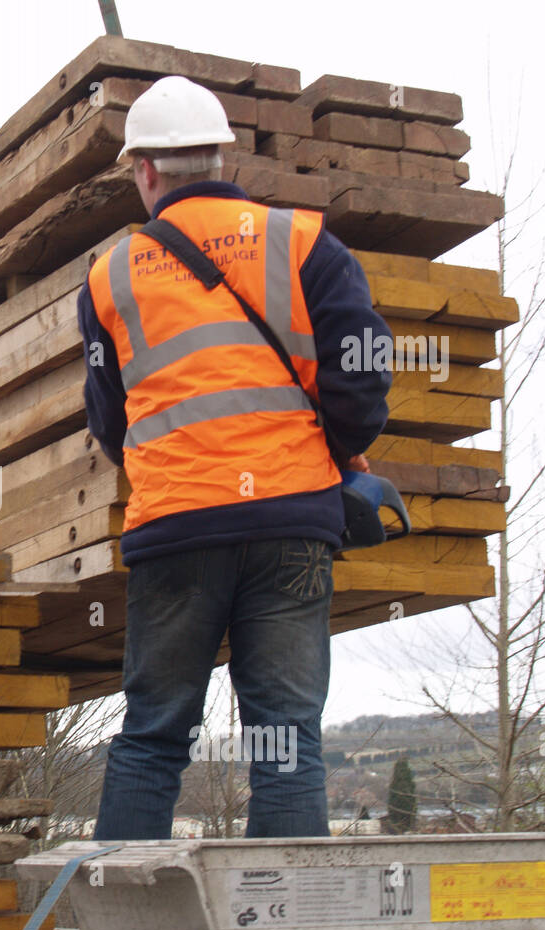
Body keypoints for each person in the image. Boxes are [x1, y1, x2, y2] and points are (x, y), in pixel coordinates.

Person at [80, 76, 391, 839]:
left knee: (153, 733)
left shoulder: (109, 277)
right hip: (292, 524)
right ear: (223, 156)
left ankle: (128, 928)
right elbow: (363, 375)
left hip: (177, 529)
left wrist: (181, 459)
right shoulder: (304, 243)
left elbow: (109, 421)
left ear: (144, 171)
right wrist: (336, 453)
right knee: (283, 740)